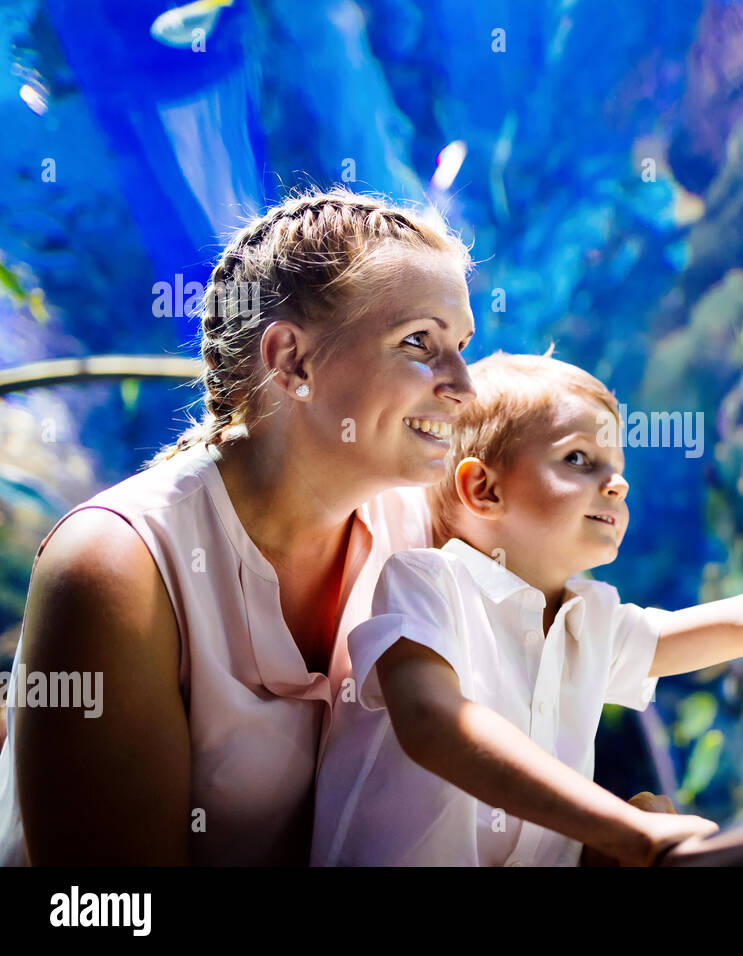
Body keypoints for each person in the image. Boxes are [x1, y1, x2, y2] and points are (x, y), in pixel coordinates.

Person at [312, 352, 743, 866]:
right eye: (578, 459)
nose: (617, 479)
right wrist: (625, 831)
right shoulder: (429, 583)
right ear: (482, 489)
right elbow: (434, 723)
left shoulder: (592, 621)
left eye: (617, 463)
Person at [0, 186, 479, 865]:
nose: (464, 386)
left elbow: (590, 637)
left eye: (460, 345)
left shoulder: (418, 523)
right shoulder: (118, 566)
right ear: (291, 360)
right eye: (418, 343)